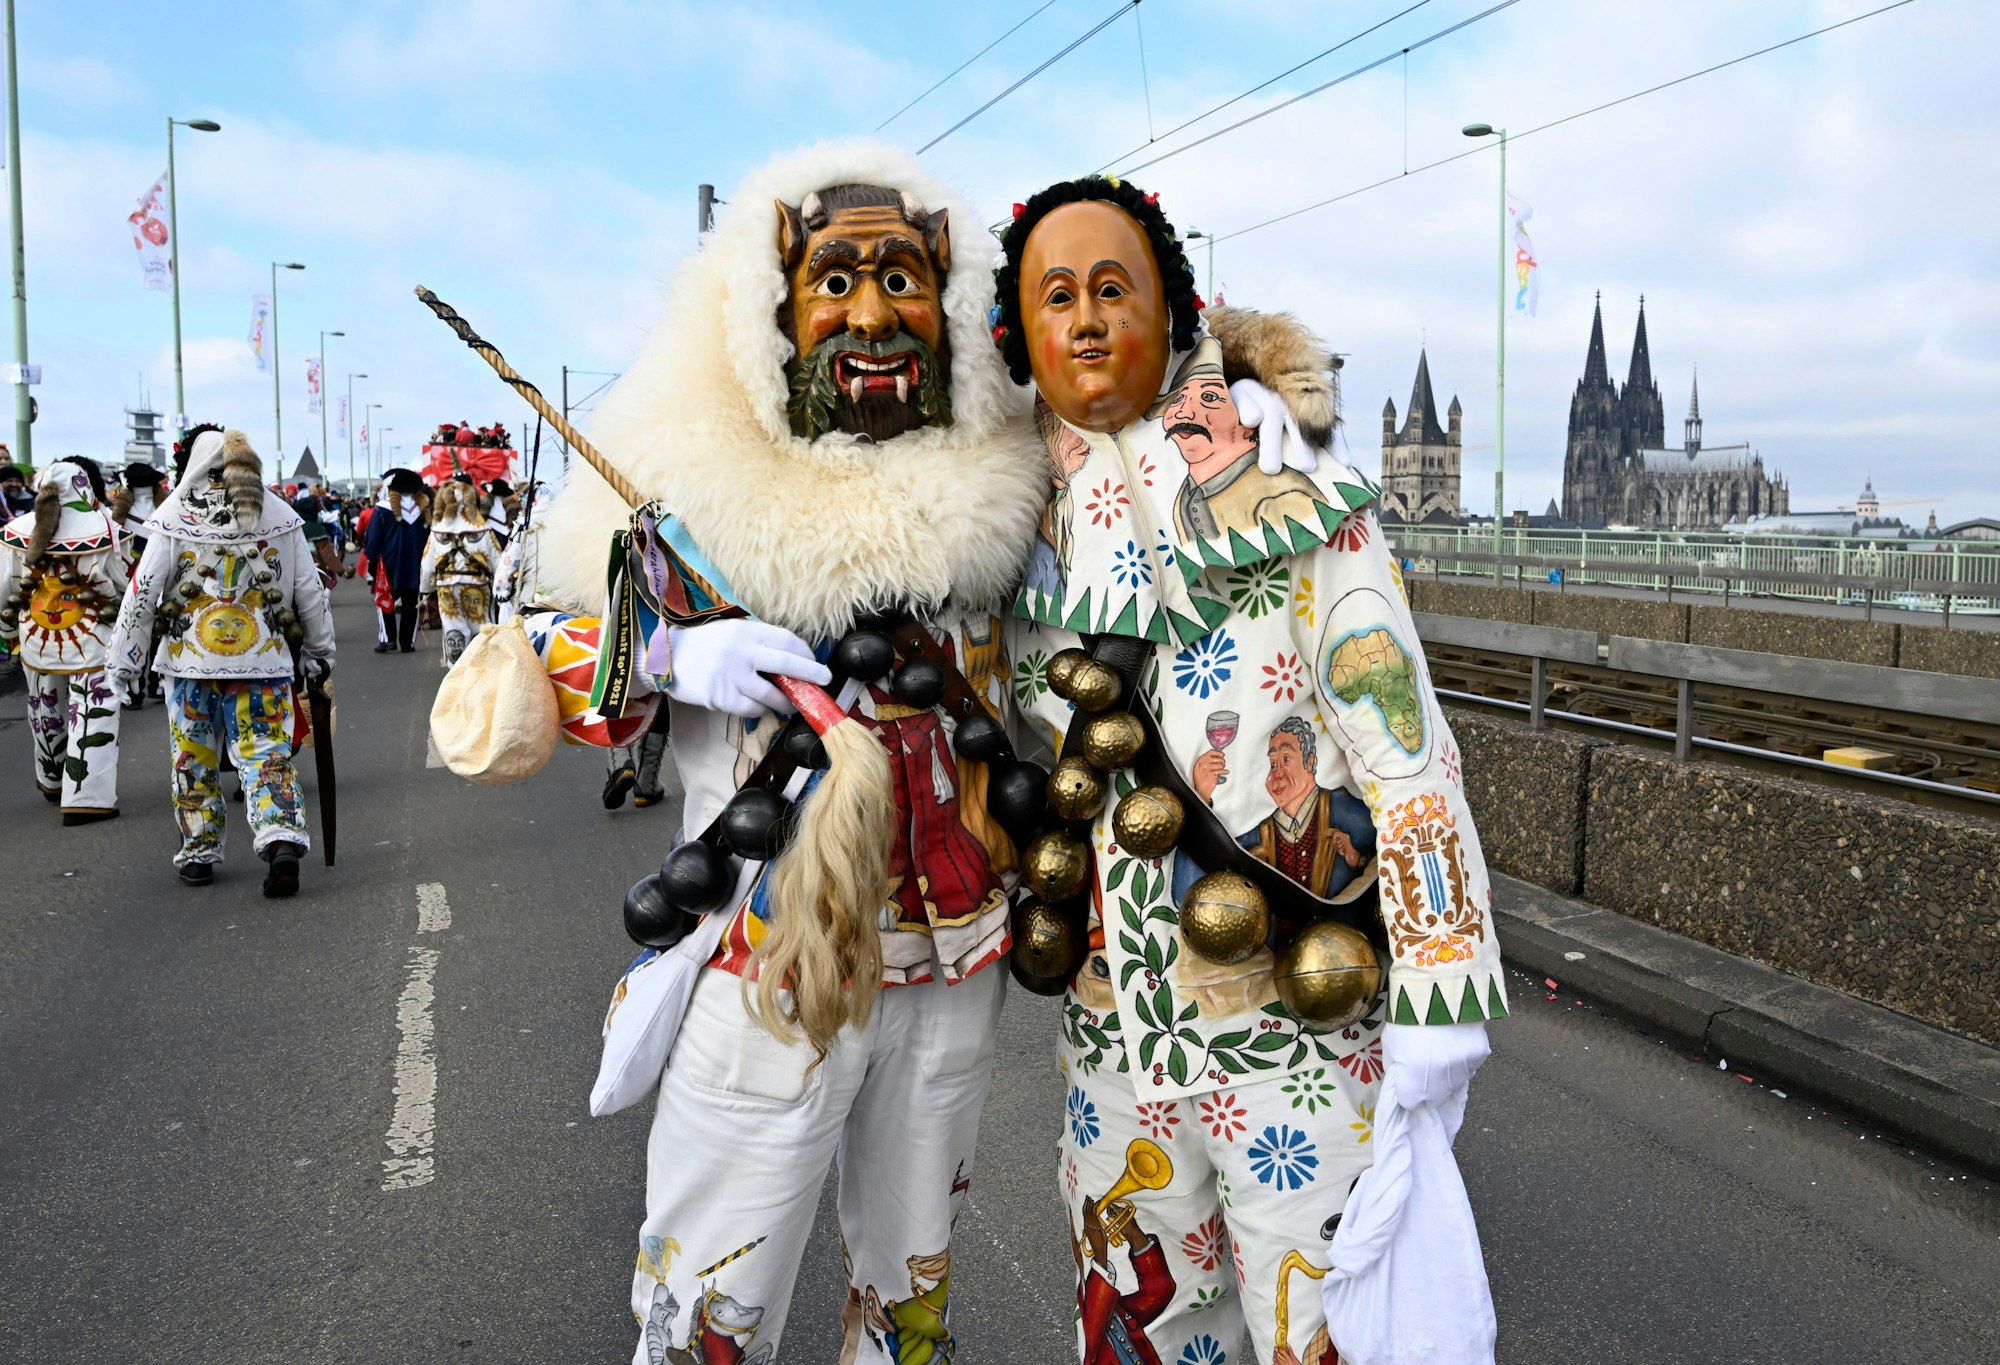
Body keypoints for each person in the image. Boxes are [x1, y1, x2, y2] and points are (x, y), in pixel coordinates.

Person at [533, 144, 1054, 1365]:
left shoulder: (1017, 484)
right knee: (717, 1284)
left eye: (900, 282)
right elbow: (536, 671)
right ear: (774, 315)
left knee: (914, 1280)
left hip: (954, 950)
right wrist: (670, 659)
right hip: (772, 958)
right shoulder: (684, 488)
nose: (870, 317)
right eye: (833, 283)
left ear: (951, 303)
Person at [994, 177, 1504, 1365]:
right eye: (1051, 295)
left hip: (1292, 1029)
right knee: (1140, 1320)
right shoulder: (1002, 522)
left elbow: (1401, 737)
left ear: (1173, 309)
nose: (1080, 320)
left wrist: (1441, 987)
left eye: (1109, 288)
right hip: (1111, 1041)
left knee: (1319, 1330)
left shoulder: (1290, 483)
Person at [106, 427, 335, 894]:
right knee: (267, 754)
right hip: (265, 663)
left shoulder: (175, 515)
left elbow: (143, 592)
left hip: (190, 665)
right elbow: (310, 593)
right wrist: (318, 652)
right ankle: (280, 838)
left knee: (193, 757)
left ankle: (199, 850)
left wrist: (124, 662)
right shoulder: (280, 514)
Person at [0, 460, 127, 823]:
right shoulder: (103, 527)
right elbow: (118, 581)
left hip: (35, 634)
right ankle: (86, 795)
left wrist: (9, 631)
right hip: (93, 635)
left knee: (45, 706)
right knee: (93, 710)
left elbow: (4, 588)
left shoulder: (15, 531)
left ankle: (52, 777)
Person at [420, 474, 497, 667]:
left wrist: (425, 590)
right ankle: (481, 669)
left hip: (447, 586)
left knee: (453, 629)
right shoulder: (483, 528)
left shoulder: (438, 530)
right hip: (478, 586)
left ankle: (457, 673)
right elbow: (498, 561)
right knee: (481, 628)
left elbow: (427, 566)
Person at [363, 467, 430, 654]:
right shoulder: (423, 509)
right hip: (416, 564)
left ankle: (388, 639)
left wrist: (371, 556)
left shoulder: (382, 509)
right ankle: (407, 642)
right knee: (411, 604)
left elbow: (374, 539)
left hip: (389, 565)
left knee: (385, 600)